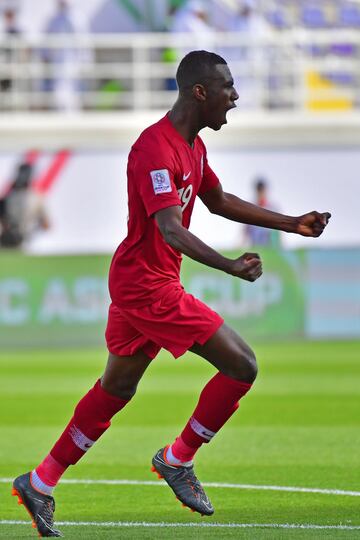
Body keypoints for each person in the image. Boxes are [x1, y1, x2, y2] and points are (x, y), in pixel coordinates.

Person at [12, 50, 330, 537]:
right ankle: (177, 458)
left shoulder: (193, 147)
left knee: (116, 389)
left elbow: (218, 201)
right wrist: (229, 265)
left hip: (147, 280)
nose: (236, 96)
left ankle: (40, 481)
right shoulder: (154, 149)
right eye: (228, 87)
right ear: (200, 92)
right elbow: (170, 229)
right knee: (242, 364)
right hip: (148, 285)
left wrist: (291, 222)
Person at [244, 177, 280, 247]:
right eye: (259, 190)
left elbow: (278, 230)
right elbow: (246, 229)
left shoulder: (273, 207)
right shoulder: (250, 207)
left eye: (262, 190)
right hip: (255, 245)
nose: (260, 193)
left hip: (270, 245)